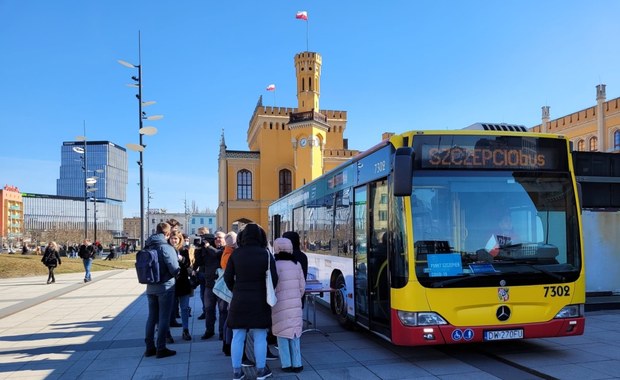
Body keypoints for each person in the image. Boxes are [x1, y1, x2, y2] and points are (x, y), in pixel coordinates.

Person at [224, 223, 278, 380]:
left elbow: (227, 277)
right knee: (260, 336)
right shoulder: (266, 254)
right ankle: (261, 371)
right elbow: (275, 278)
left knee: (238, 335)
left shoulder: (236, 254)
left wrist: (236, 289)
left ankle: (237, 372)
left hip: (239, 299)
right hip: (260, 300)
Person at [143, 222, 180, 359]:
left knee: (151, 317)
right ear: (167, 233)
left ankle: (149, 348)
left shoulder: (148, 245)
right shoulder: (166, 247)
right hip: (165, 286)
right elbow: (174, 268)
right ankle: (161, 348)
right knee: (164, 318)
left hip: (150, 287)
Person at [271, 237, 305, 373]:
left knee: (282, 335)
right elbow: (302, 286)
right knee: (295, 334)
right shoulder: (297, 264)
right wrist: (296, 297)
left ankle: (286, 364)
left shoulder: (275, 265)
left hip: (279, 306)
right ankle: (298, 364)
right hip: (295, 304)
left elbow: (271, 286)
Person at [200, 230, 225, 340]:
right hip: (209, 284)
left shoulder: (226, 250)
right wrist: (200, 249)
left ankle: (222, 333)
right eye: (216, 238)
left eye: (220, 237)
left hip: (222, 285)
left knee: (223, 311)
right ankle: (209, 331)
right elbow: (200, 262)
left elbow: (218, 254)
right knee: (209, 309)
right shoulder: (208, 250)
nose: (218, 239)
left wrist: (209, 247)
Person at [169, 230, 193, 341]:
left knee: (184, 308)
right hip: (170, 284)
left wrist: (181, 259)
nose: (174, 240)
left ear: (180, 240)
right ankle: (166, 333)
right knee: (169, 309)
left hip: (183, 283)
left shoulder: (184, 250)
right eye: (172, 238)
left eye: (176, 239)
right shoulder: (167, 250)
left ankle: (185, 330)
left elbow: (188, 266)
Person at [220, 231, 237, 356]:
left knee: (229, 318)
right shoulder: (230, 255)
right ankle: (227, 344)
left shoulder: (227, 253)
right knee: (230, 319)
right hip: (232, 291)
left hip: (231, 290)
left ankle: (226, 343)